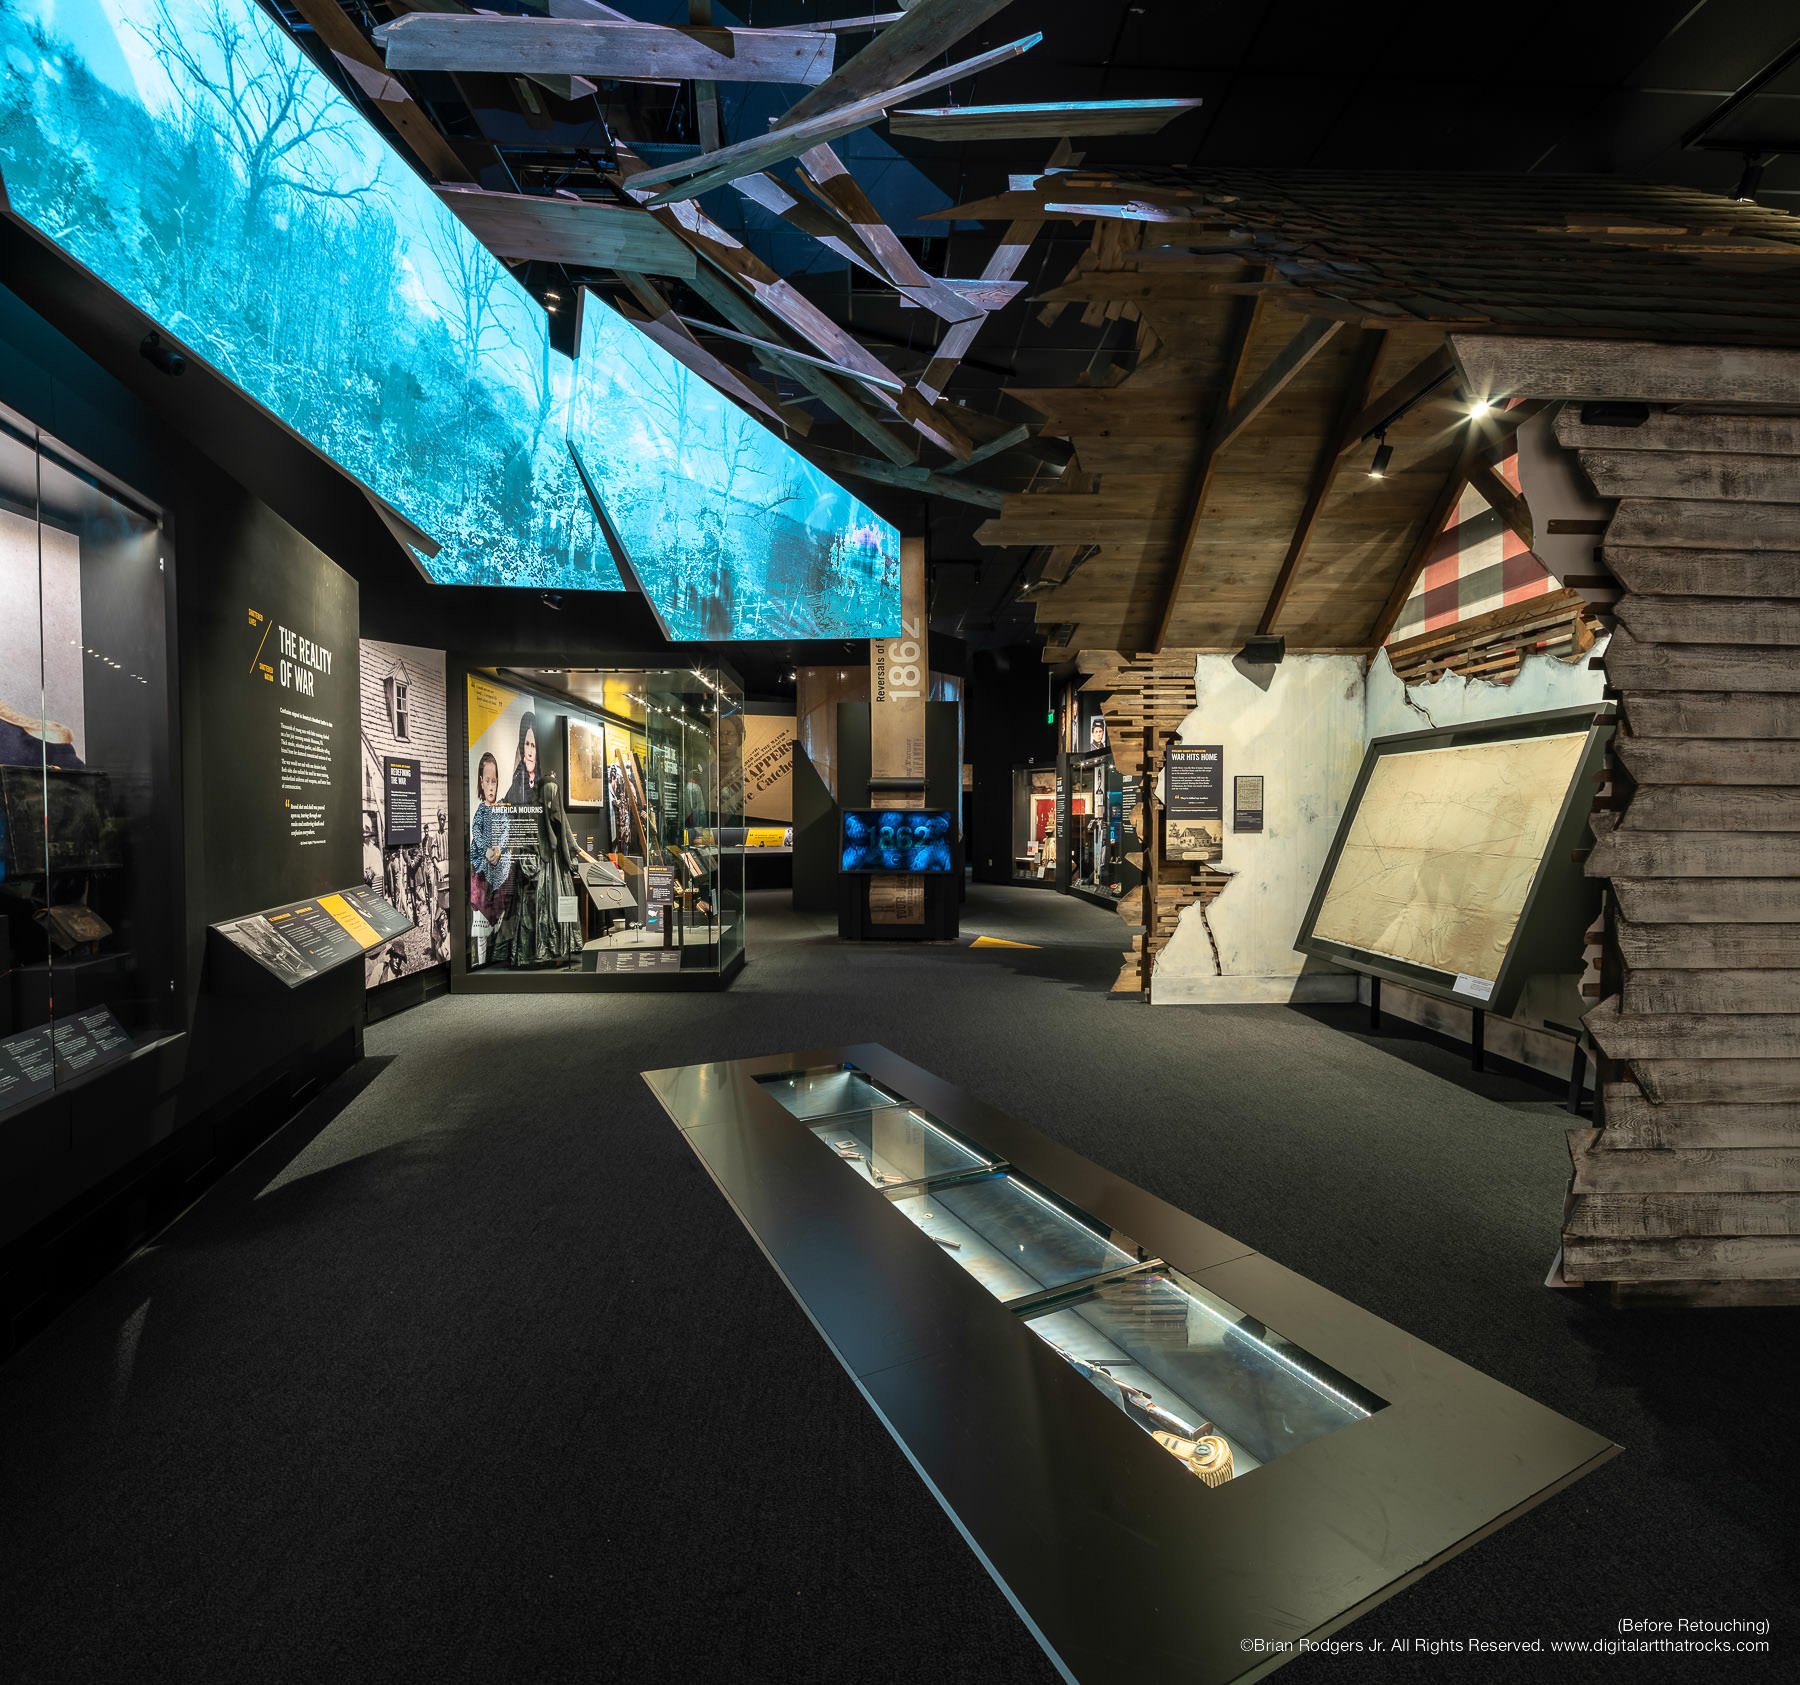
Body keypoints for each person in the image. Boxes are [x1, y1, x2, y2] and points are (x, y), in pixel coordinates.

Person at [469, 751, 509, 963]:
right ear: (481, 782)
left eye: (494, 780)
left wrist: (499, 850)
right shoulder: (479, 812)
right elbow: (476, 832)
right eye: (487, 780)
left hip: (499, 874)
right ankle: (483, 962)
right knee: (482, 926)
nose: (491, 785)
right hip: (481, 876)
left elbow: (506, 831)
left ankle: (497, 959)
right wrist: (487, 851)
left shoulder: (501, 810)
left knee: (499, 921)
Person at [504, 713, 541, 807]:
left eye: (533, 745)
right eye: (527, 744)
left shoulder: (542, 784)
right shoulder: (517, 783)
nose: (529, 752)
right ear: (522, 747)